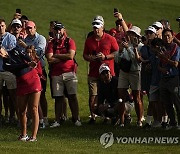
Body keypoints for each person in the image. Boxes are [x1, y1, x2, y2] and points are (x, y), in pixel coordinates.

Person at [0, 46, 41, 141]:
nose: (0, 53)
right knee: (21, 110)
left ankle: (33, 137)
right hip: (21, 84)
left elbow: (25, 56)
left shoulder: (15, 50)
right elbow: (16, 67)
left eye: (0, 51)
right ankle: (23, 134)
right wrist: (27, 64)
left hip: (33, 80)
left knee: (34, 108)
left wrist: (30, 60)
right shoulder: (5, 64)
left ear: (3, 48)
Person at [83, 15, 119, 123]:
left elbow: (116, 52)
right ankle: (93, 116)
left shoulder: (110, 39)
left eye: (98, 26)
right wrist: (91, 58)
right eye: (94, 26)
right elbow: (85, 55)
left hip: (107, 73)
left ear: (102, 27)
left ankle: (108, 116)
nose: (96, 29)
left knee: (109, 95)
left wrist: (105, 57)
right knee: (93, 95)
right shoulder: (89, 40)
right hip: (94, 72)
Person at [46, 22, 81, 127]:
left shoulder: (70, 41)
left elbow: (70, 56)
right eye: (56, 29)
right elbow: (49, 59)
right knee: (58, 97)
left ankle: (76, 119)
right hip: (56, 74)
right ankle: (57, 120)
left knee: (72, 96)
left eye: (60, 29)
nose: (58, 31)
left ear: (63, 30)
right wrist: (62, 57)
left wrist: (57, 55)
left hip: (69, 72)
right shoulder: (52, 43)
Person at [18, 20, 48, 126]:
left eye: (31, 28)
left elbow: (38, 53)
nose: (29, 30)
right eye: (27, 28)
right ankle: (33, 119)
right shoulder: (25, 39)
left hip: (40, 70)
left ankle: (44, 118)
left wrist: (26, 47)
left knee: (41, 96)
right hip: (28, 72)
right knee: (30, 97)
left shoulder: (41, 39)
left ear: (35, 28)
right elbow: (23, 55)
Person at [117, 26, 144, 127]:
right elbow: (117, 60)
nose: (130, 36)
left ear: (137, 36)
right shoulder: (125, 45)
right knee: (121, 97)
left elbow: (135, 60)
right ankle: (122, 121)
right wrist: (120, 51)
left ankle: (139, 121)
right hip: (124, 72)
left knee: (137, 97)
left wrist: (128, 48)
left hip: (135, 72)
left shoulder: (140, 46)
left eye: (133, 34)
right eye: (130, 34)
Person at [158, 29, 180, 129]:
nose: (166, 38)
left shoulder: (176, 48)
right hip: (163, 78)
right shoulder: (161, 48)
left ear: (172, 36)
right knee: (166, 102)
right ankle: (172, 123)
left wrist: (165, 58)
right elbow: (159, 63)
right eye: (165, 36)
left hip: (173, 77)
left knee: (176, 101)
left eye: (168, 36)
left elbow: (175, 64)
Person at [0, 19, 17, 126]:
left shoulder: (11, 37)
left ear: (5, 26)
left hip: (8, 70)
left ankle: (14, 116)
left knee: (13, 94)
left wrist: (3, 51)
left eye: (2, 25)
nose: (0, 27)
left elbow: (12, 53)